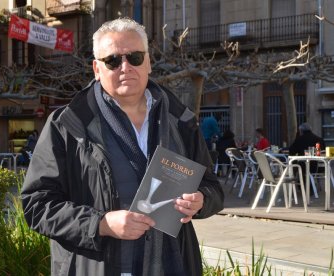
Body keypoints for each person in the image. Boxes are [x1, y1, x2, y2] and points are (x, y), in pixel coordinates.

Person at [21, 17, 224, 276]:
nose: (125, 67)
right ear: (97, 68)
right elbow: (36, 204)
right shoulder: (68, 124)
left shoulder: (180, 120)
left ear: (148, 62)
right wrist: (100, 224)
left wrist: (202, 201)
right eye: (113, 60)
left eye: (135, 57)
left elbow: (213, 188)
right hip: (98, 267)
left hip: (172, 265)